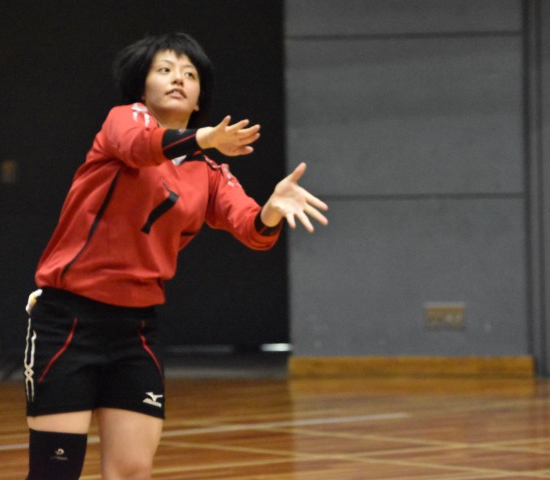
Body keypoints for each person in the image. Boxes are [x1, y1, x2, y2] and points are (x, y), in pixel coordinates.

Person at [23, 32, 328, 480]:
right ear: (142, 86)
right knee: (55, 472)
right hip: (69, 319)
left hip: (136, 330)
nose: (178, 79)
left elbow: (253, 230)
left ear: (200, 95)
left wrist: (272, 210)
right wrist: (203, 137)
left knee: (132, 471)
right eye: (165, 70)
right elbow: (140, 147)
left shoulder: (210, 171)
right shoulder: (123, 121)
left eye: (190, 74)